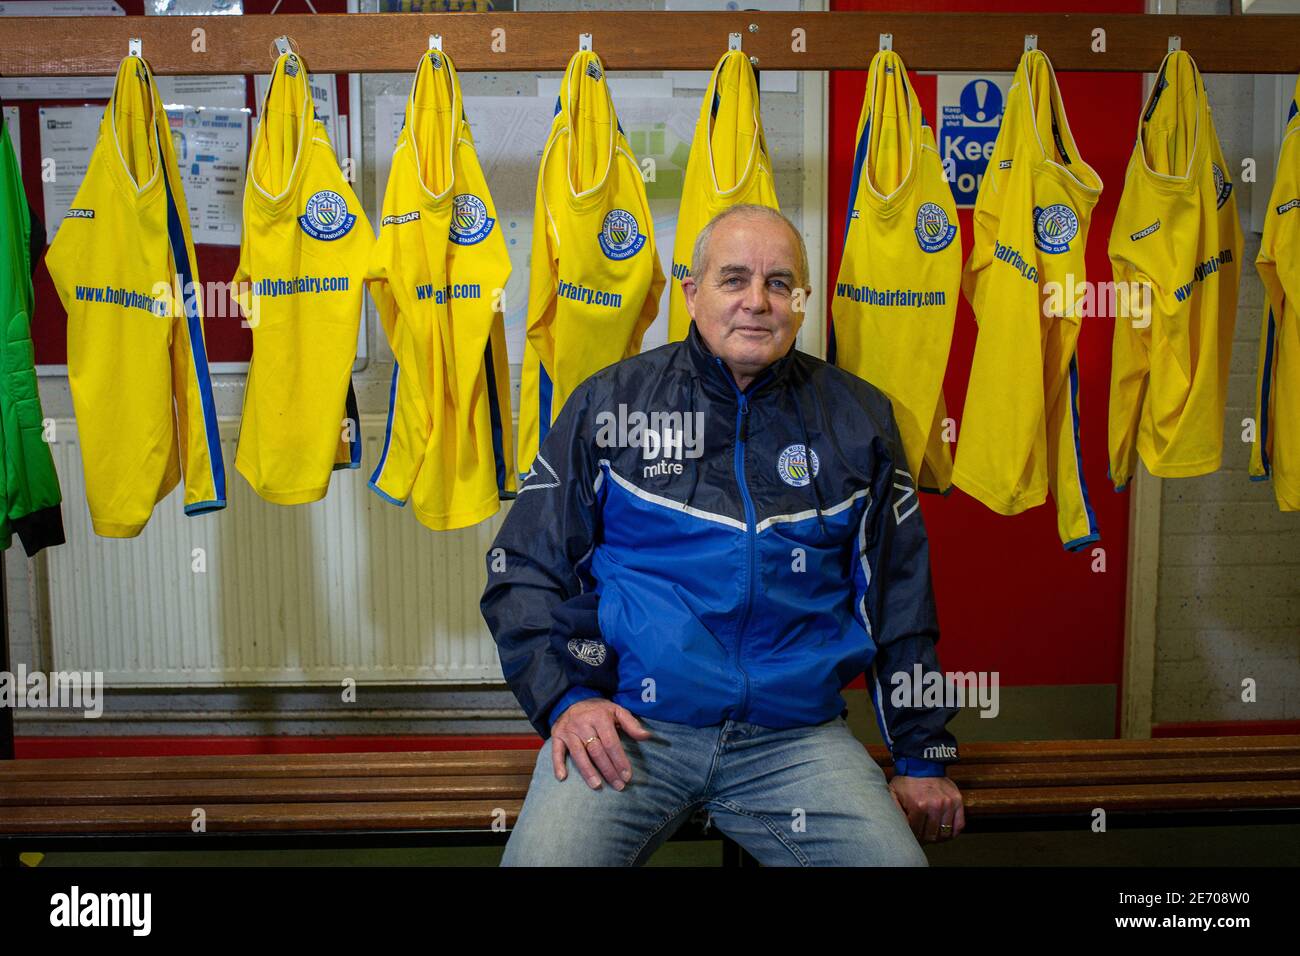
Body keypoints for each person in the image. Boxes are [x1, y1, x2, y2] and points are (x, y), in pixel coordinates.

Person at [481, 204, 964, 866]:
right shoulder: (611, 405)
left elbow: (899, 600)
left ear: (801, 300)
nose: (756, 303)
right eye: (734, 279)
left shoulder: (859, 420)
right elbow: (523, 567)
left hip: (797, 742)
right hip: (636, 731)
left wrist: (920, 752)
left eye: (778, 283)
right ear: (692, 292)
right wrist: (567, 698)